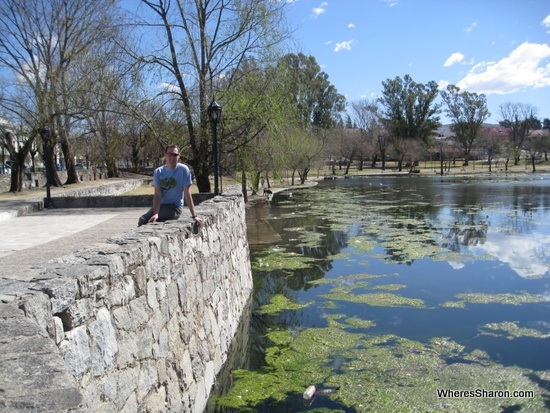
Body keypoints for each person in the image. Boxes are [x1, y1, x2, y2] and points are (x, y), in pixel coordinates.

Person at [138, 145, 203, 227]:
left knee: (146, 220)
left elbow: (187, 193)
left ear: (179, 156)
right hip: (162, 206)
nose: (172, 158)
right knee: (142, 220)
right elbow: (157, 194)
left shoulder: (183, 170)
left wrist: (194, 216)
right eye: (169, 155)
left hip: (175, 208)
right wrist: (156, 213)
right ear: (165, 155)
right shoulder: (158, 172)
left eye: (175, 155)